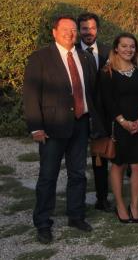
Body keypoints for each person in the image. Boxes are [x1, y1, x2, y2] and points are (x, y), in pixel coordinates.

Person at [24, 15, 100, 244]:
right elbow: (30, 94)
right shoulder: (41, 58)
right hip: (52, 127)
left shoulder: (84, 57)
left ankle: (75, 215)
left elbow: (91, 91)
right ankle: (43, 223)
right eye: (65, 29)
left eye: (73, 30)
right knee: (48, 176)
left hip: (80, 124)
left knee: (78, 174)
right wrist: (36, 127)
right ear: (54, 32)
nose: (70, 33)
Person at [99, 33, 138, 224]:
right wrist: (124, 123)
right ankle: (120, 205)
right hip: (119, 126)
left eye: (132, 46)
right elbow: (108, 101)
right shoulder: (107, 72)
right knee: (119, 165)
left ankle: (135, 205)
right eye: (124, 46)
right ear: (116, 48)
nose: (128, 50)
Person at [76, 12, 112, 212]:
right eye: (84, 28)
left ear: (97, 29)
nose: (88, 32)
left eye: (92, 28)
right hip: (80, 113)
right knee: (77, 159)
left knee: (101, 158)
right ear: (79, 30)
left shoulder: (108, 52)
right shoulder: (72, 52)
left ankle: (102, 198)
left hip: (104, 115)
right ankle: (77, 202)